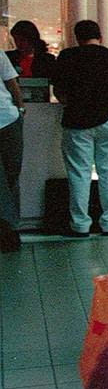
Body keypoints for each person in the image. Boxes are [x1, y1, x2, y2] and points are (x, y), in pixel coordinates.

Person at [51, 19, 108, 237]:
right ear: (100, 36)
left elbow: (59, 93)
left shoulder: (67, 57)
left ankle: (80, 224)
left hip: (77, 121)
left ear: (77, 37)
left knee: (79, 174)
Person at [0, 53, 25, 252]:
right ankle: (9, 228)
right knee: (11, 175)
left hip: (8, 118)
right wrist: (20, 109)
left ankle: (7, 228)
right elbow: (12, 84)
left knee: (8, 177)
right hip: (8, 118)